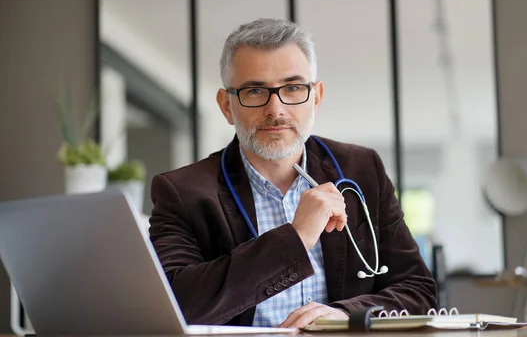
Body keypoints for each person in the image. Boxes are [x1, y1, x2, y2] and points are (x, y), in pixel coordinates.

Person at [149, 18, 437, 329]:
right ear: (227, 106)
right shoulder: (182, 191)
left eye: (293, 87)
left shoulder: (363, 170)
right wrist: (295, 238)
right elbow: (177, 307)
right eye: (255, 90)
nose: (276, 109)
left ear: (316, 96)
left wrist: (345, 315)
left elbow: (418, 290)